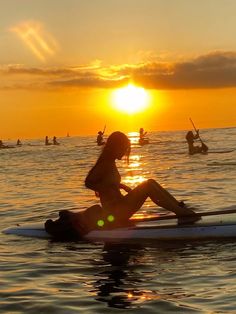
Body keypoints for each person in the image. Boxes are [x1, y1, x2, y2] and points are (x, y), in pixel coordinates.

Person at [45, 131, 199, 240]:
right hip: (115, 212)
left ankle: (180, 209)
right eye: (123, 148)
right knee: (148, 185)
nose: (125, 152)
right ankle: (181, 213)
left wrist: (120, 186)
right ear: (114, 146)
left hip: (119, 208)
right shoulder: (105, 163)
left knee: (150, 183)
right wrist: (106, 188)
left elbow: (107, 181)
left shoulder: (109, 162)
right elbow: (88, 182)